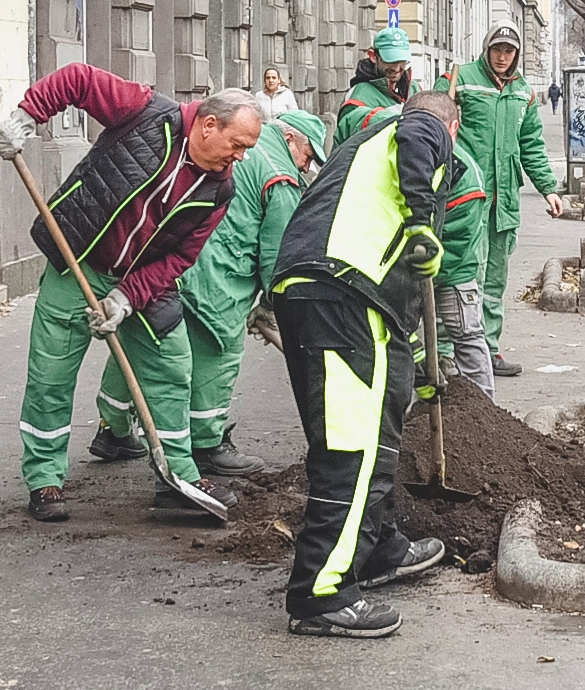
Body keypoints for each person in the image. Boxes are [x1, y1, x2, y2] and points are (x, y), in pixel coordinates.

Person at [0, 70, 263, 523]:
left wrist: (125, 298)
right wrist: (26, 115)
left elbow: (180, 257)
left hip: (141, 285)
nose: (239, 157)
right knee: (51, 375)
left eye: (246, 150)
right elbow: (77, 80)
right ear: (209, 125)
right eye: (237, 144)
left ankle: (176, 478)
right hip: (76, 262)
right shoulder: (144, 112)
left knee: (172, 367)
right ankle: (45, 480)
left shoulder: (220, 188)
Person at [267, 92, 463, 637]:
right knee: (349, 444)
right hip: (338, 292)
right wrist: (425, 221)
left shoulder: (370, 161)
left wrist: (419, 363)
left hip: (351, 298)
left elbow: (400, 288)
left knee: (379, 424)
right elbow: (420, 131)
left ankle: (374, 548)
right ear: (455, 124)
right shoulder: (421, 127)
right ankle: (320, 592)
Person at [178, 108, 327, 479]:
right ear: (290, 138)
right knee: (219, 351)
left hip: (177, 260)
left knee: (151, 348)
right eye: (308, 156)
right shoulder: (280, 177)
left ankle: (112, 428)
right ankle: (207, 444)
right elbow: (279, 256)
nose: (307, 167)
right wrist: (275, 306)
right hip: (220, 274)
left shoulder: (246, 149)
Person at [437, 22, 563, 376]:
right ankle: (446, 351)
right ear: (487, 49)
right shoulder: (461, 80)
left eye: (509, 51)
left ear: (516, 54)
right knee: (460, 274)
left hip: (503, 202)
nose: (503, 57)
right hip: (466, 198)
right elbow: (432, 118)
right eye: (497, 50)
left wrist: (548, 189)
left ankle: (488, 349)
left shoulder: (522, 92)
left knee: (494, 281)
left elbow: (531, 146)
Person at [433, 142, 494, 396]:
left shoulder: (465, 177)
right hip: (395, 269)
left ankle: (485, 411)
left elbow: (456, 246)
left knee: (467, 333)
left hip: (454, 266)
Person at [335, 28, 413, 144]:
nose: (397, 68)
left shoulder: (414, 88)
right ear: (373, 56)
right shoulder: (358, 97)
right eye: (390, 60)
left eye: (401, 61)